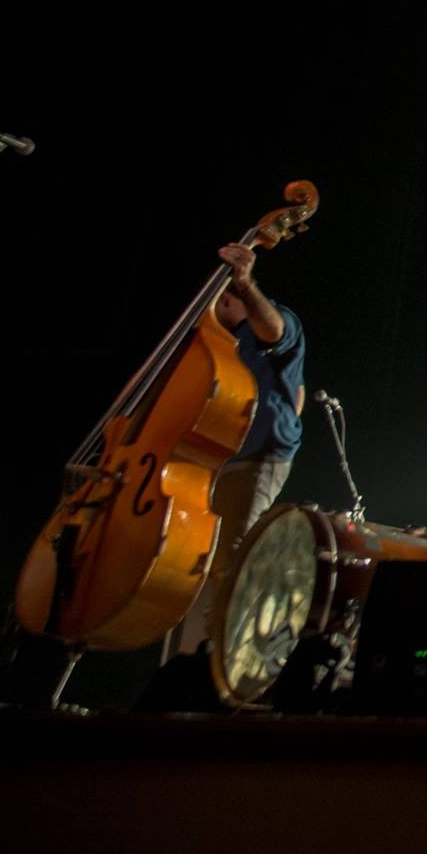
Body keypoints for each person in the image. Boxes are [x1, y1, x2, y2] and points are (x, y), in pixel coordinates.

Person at [173, 241, 307, 655]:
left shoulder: (273, 319)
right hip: (216, 459)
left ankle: (232, 655)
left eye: (213, 298)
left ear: (228, 296)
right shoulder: (213, 340)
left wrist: (246, 285)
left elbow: (275, 333)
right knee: (201, 559)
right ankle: (203, 646)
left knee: (236, 557)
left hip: (259, 456)